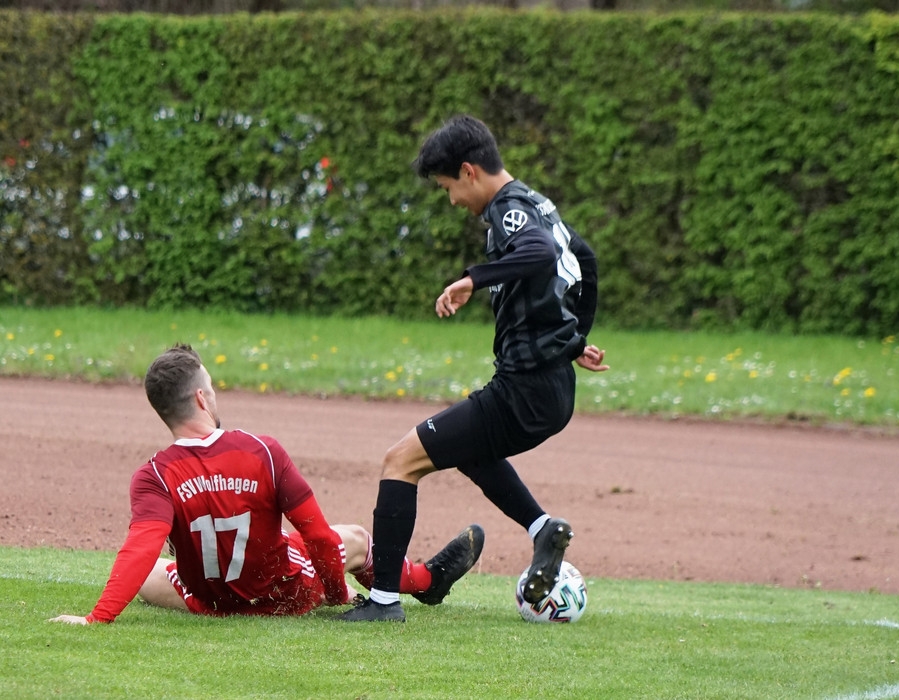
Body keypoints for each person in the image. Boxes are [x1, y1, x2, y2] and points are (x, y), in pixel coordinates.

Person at [339, 114, 608, 622]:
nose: (452, 201)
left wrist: (473, 279)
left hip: (523, 390)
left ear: (468, 171)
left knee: (401, 461)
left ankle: (383, 602)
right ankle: (541, 528)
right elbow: (584, 260)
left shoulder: (508, 209)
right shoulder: (537, 204)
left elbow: (540, 252)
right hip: (552, 389)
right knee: (469, 451)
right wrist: (573, 340)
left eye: (448, 188)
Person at [49, 344, 483, 626]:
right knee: (352, 537)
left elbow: (139, 547)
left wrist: (96, 618)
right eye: (211, 388)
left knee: (149, 571)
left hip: (211, 601)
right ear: (201, 398)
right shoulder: (262, 451)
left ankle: (420, 581)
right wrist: (335, 594)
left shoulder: (154, 476)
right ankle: (425, 580)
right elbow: (317, 536)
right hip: (284, 593)